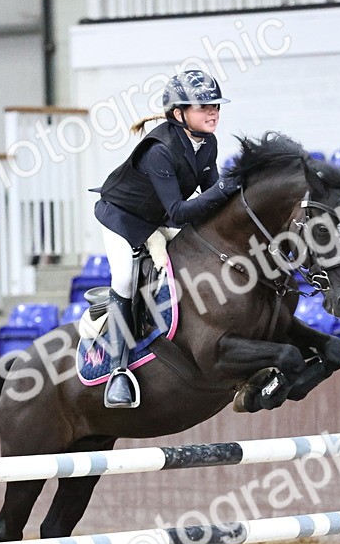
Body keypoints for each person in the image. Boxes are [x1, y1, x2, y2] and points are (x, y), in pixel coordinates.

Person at [92, 69, 241, 409]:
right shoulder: (159, 150)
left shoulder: (208, 143)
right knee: (126, 278)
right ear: (179, 114)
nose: (213, 112)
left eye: (215, 105)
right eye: (203, 107)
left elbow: (209, 199)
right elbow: (178, 211)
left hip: (158, 217)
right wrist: (222, 190)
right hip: (122, 218)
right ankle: (117, 371)